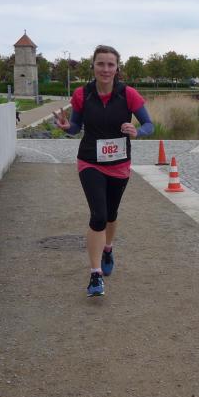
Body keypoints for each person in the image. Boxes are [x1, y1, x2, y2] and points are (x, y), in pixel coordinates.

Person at [54, 45, 154, 297]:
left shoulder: (128, 94)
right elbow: (75, 127)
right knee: (98, 215)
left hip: (119, 164)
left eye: (110, 64)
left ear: (117, 68)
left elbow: (149, 124)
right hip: (90, 162)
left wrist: (138, 131)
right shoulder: (82, 94)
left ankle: (108, 248)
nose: (105, 69)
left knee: (111, 214)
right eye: (101, 64)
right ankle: (95, 274)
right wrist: (66, 127)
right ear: (93, 66)